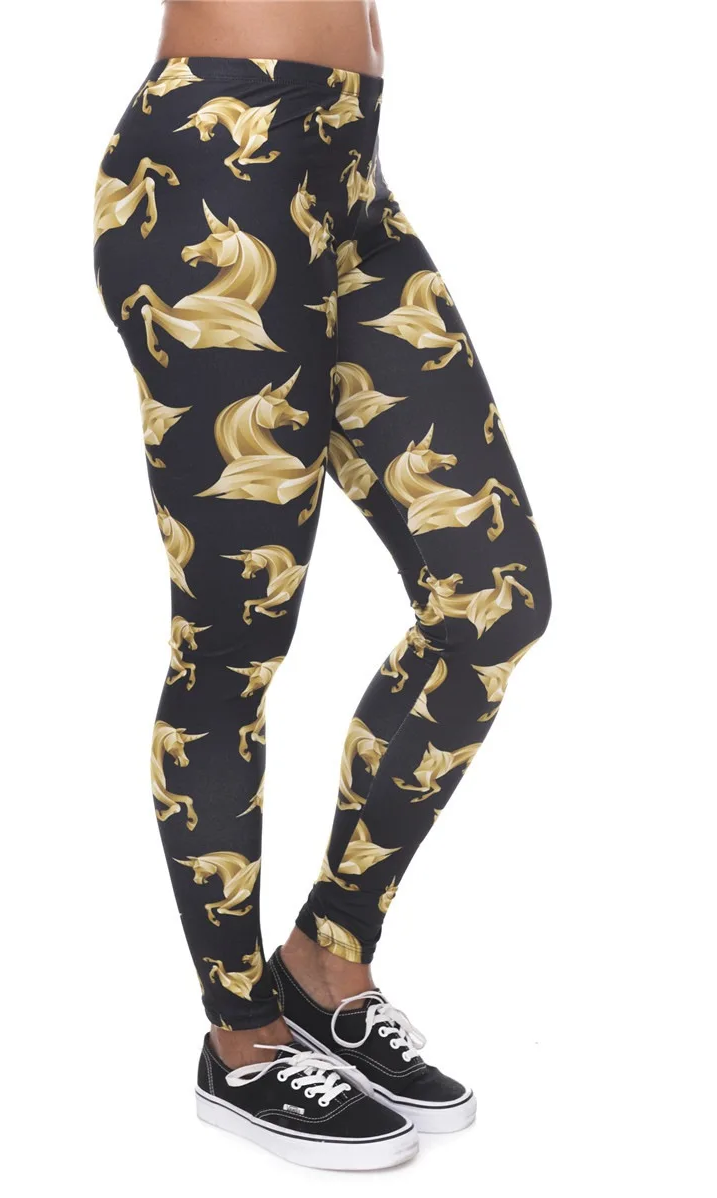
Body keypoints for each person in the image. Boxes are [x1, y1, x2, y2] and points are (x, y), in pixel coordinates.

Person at [93, 0, 551, 1169]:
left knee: (492, 598)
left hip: (350, 179)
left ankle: (325, 957)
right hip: (213, 168)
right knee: (232, 643)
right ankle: (241, 1039)